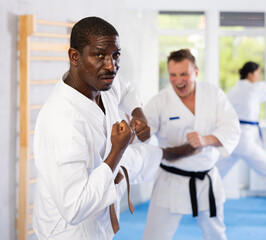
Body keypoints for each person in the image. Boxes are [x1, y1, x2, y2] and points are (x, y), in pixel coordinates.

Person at [32, 16, 163, 240]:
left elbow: (127, 90)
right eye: (99, 55)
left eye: (116, 55)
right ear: (75, 57)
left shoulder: (102, 83)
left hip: (99, 225)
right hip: (68, 233)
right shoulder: (63, 121)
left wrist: (137, 111)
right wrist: (116, 151)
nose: (112, 66)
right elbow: (75, 208)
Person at [142, 49, 241, 240]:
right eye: (173, 75)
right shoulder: (160, 101)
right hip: (171, 179)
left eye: (184, 74)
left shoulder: (213, 94)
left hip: (206, 178)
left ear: (195, 72)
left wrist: (206, 139)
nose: (178, 80)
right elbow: (143, 133)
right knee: (155, 236)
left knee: (216, 234)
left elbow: (232, 127)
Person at [216, 61, 266, 228]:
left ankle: (195, 207)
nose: (260, 77)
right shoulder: (253, 88)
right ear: (251, 74)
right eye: (259, 73)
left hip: (232, 138)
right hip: (245, 140)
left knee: (214, 175)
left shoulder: (233, 90)